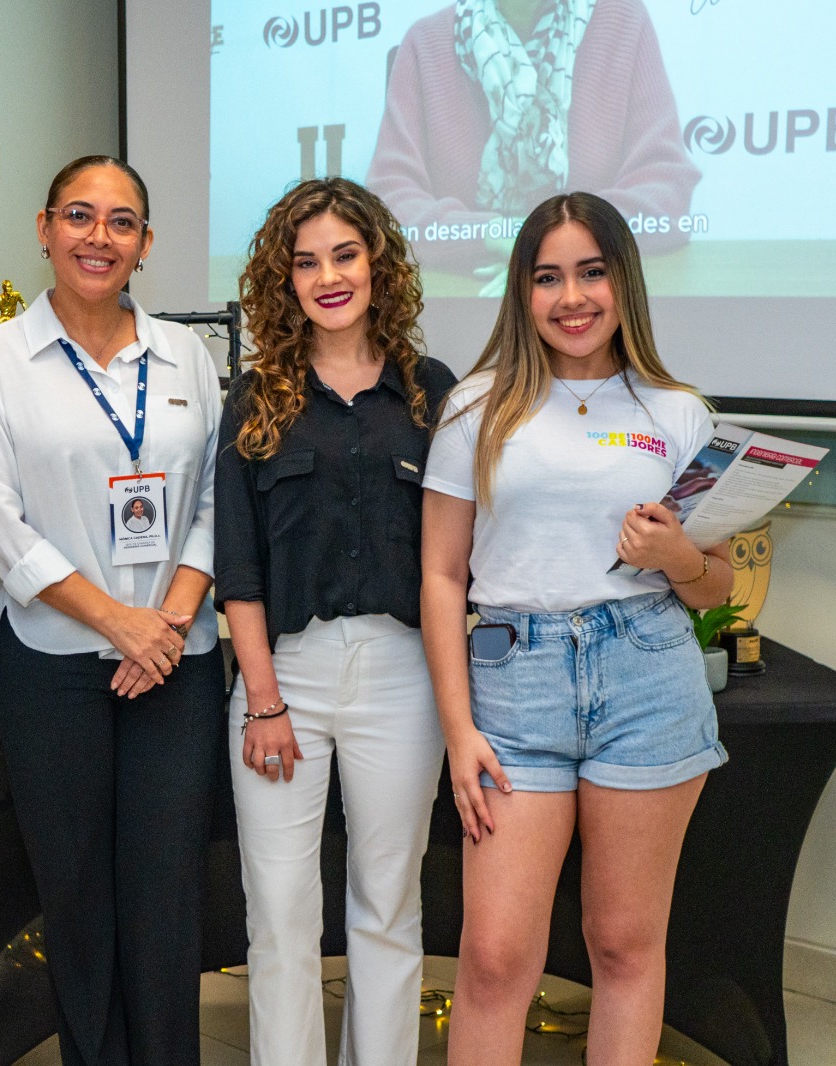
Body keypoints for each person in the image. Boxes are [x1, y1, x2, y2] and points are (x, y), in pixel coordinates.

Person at [421, 190, 731, 1064]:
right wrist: (458, 731)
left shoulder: (676, 413)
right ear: (522, 292)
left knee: (624, 947)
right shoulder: (476, 409)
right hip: (514, 686)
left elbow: (713, 586)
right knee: (491, 957)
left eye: (591, 272)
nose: (572, 297)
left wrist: (675, 556)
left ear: (623, 281)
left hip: (647, 673)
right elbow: (442, 578)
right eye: (548, 277)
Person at [0, 155, 225, 1065]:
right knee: (74, 896)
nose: (97, 237)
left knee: (166, 895)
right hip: (54, 664)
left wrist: (169, 625)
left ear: (145, 244)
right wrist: (122, 623)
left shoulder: (188, 354)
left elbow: (219, 507)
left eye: (120, 222)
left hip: (177, 667)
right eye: (79, 216)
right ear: (44, 227)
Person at [214, 177, 456, 1066]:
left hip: (404, 679)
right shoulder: (257, 398)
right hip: (284, 679)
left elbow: (458, 554)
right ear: (284, 282)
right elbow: (237, 569)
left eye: (344, 255)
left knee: (388, 906)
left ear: (378, 261)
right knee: (278, 913)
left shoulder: (432, 394)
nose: (327, 276)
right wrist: (266, 701)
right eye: (305, 261)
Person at [366, 0, 699, 285]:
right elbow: (387, 203)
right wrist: (488, 234)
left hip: (590, 295)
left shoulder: (623, 21)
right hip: (468, 294)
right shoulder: (426, 42)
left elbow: (666, 193)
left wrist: (547, 245)